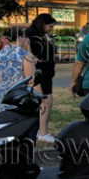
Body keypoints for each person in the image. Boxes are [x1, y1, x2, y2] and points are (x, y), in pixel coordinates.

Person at [26, 13, 56, 143]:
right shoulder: (32, 35)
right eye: (50, 26)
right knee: (46, 102)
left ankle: (40, 130)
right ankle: (42, 132)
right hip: (40, 73)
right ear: (42, 24)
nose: (51, 29)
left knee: (44, 102)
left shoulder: (38, 35)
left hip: (45, 72)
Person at [0, 27, 37, 112]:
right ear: (20, 38)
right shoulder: (24, 55)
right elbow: (32, 80)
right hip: (18, 97)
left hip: (1, 97)